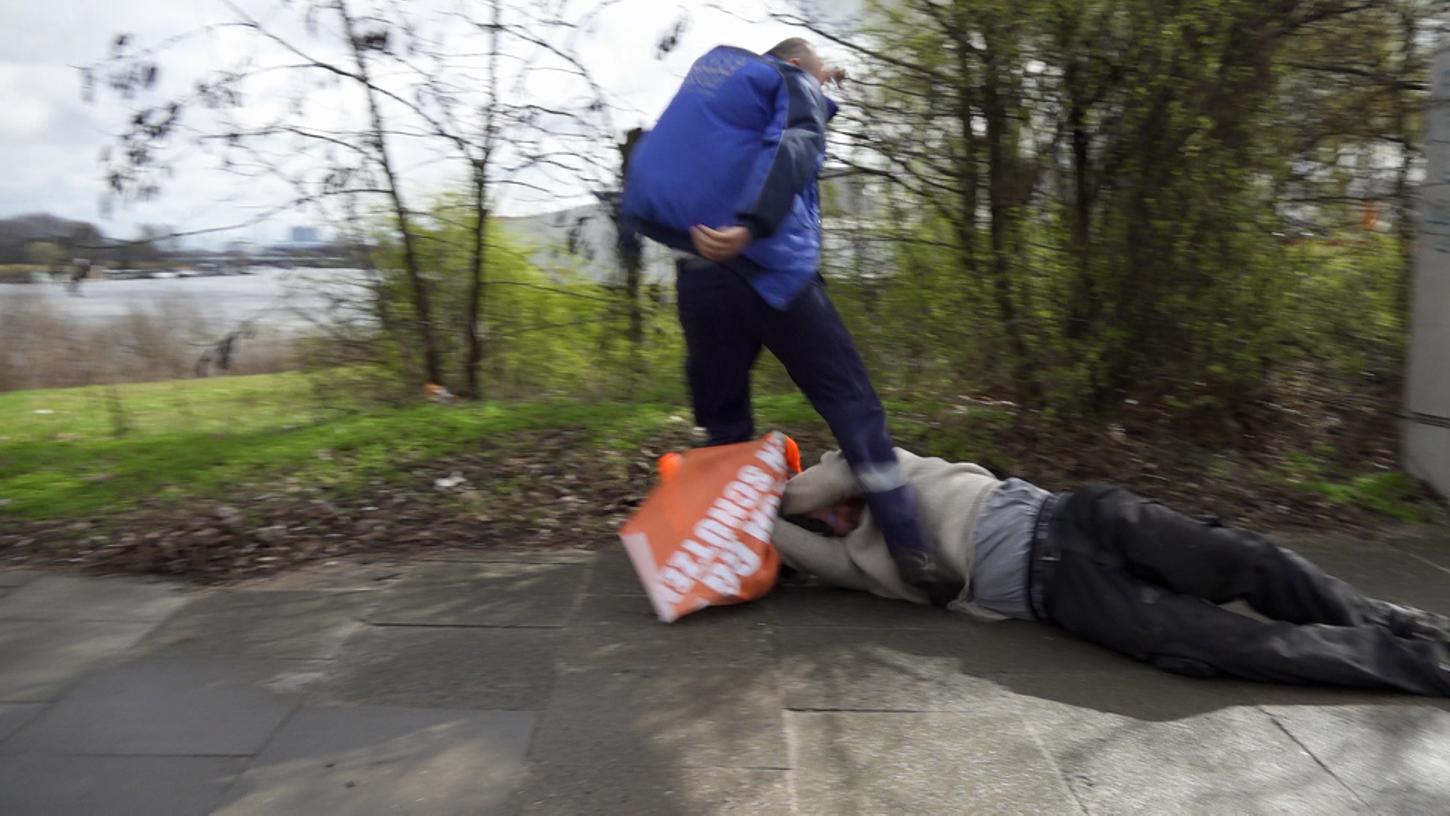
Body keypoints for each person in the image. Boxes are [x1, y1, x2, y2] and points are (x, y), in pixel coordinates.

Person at [622, 38, 942, 589]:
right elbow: (797, 141)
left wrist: (822, 80)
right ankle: (911, 549)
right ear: (797, 67)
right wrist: (753, 224)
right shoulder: (790, 80)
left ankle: (740, 556)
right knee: (852, 406)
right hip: (772, 273)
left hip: (699, 278)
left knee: (725, 426)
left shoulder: (721, 84)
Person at [773, 448, 1450, 696]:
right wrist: (760, 524)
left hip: (1083, 517)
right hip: (1066, 593)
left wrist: (768, 488)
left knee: (1250, 559)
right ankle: (1425, 667)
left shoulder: (873, 461)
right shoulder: (857, 562)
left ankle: (1398, 621)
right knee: (1217, 644)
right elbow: (798, 544)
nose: (829, 522)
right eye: (818, 526)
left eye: (824, 511)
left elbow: (822, 483)